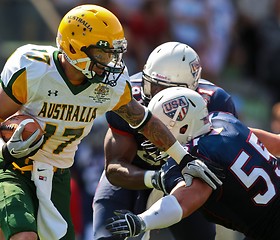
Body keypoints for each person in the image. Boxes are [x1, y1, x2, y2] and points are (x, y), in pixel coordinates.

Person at [0, 5, 195, 240]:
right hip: (12, 168)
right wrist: (3, 148)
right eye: (102, 54)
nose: (110, 62)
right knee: (25, 235)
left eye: (113, 54)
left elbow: (144, 121)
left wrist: (183, 158)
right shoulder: (34, 69)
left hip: (56, 176)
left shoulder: (110, 85)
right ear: (73, 47)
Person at [93, 41, 238, 240]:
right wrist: (156, 178)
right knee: (106, 236)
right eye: (150, 84)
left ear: (188, 91)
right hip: (135, 174)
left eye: (162, 89)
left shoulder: (215, 103)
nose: (153, 94)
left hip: (185, 179)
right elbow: (115, 168)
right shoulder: (129, 97)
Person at [105, 87, 280, 240]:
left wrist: (142, 221)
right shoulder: (224, 120)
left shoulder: (201, 154)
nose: (155, 139)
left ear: (183, 127)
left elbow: (181, 203)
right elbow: (277, 144)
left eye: (162, 130)